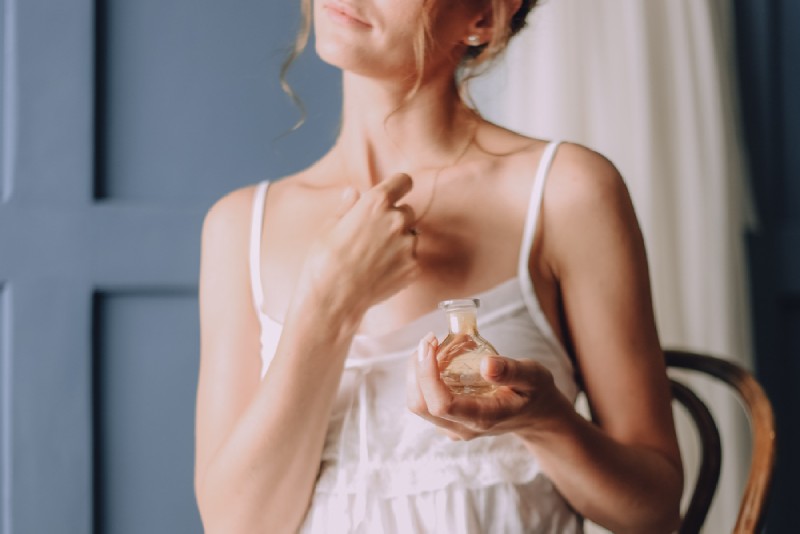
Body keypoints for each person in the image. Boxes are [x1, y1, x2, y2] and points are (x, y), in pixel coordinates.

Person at [194, 0, 684, 532]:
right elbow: (236, 525)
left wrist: (546, 421)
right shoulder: (239, 225)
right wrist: (328, 304)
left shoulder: (568, 193)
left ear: (485, 17)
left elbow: (652, 512)